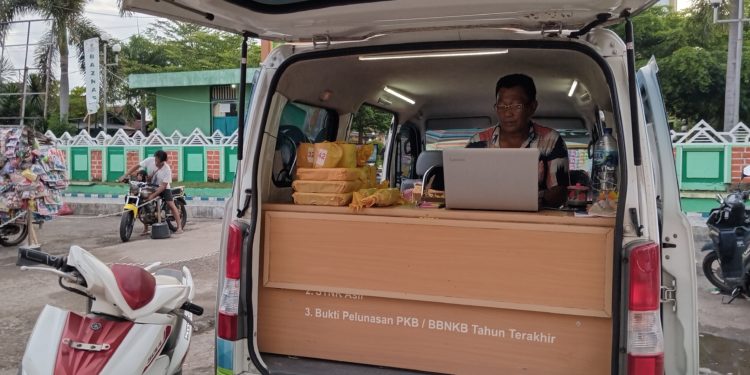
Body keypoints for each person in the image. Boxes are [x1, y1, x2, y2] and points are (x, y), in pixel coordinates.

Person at [468, 73, 570, 207]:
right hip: (487, 216)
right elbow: (467, 186)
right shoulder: (478, 141)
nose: (508, 113)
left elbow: (561, 192)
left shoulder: (551, 140)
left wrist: (534, 201)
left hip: (535, 220)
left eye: (516, 106)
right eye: (502, 106)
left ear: (532, 107)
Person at [120, 150, 184, 234]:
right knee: (142, 201)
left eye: (157, 161)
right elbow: (137, 166)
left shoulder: (167, 169)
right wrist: (125, 175)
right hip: (150, 186)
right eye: (155, 159)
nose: (155, 162)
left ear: (163, 161)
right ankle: (146, 228)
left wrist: (152, 196)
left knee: (170, 203)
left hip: (163, 188)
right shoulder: (150, 160)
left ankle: (179, 227)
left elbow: (163, 186)